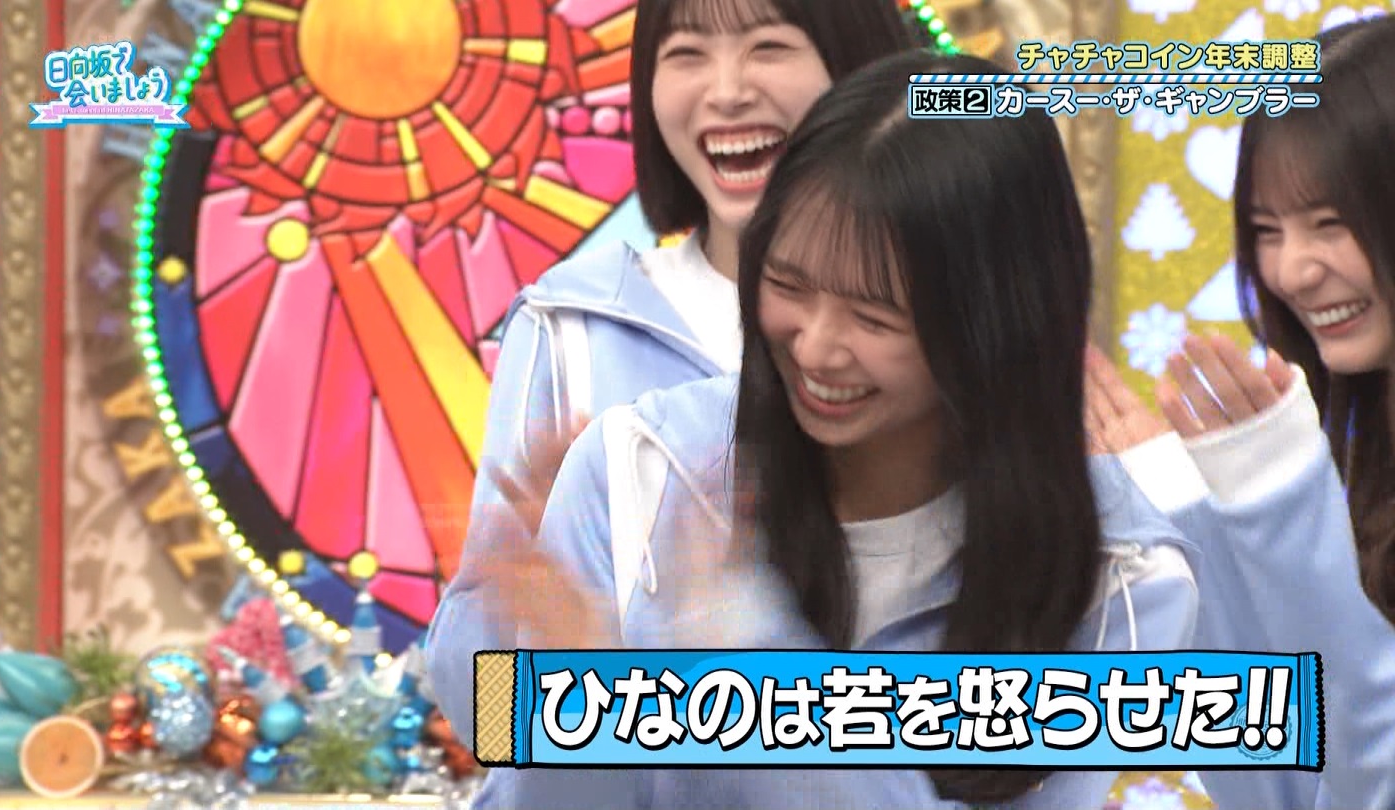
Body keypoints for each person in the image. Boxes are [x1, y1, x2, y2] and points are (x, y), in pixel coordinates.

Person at [511, 49, 1199, 809]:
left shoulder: (1123, 579)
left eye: (874, 316)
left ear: (996, 322)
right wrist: (562, 700)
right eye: (787, 283)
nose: (815, 348)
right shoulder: (640, 466)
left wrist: (740, 651)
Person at [425, 0, 919, 805]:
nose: (725, 91)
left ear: (858, 71)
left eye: (768, 47)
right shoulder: (571, 329)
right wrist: (549, 639)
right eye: (686, 54)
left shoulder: (945, 334)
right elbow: (479, 712)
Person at [1086, 15, 1395, 810]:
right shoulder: (1359, 454)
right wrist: (1190, 522)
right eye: (1266, 230)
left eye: (1331, 223)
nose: (1292, 269)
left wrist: (1282, 505)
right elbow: (1285, 788)